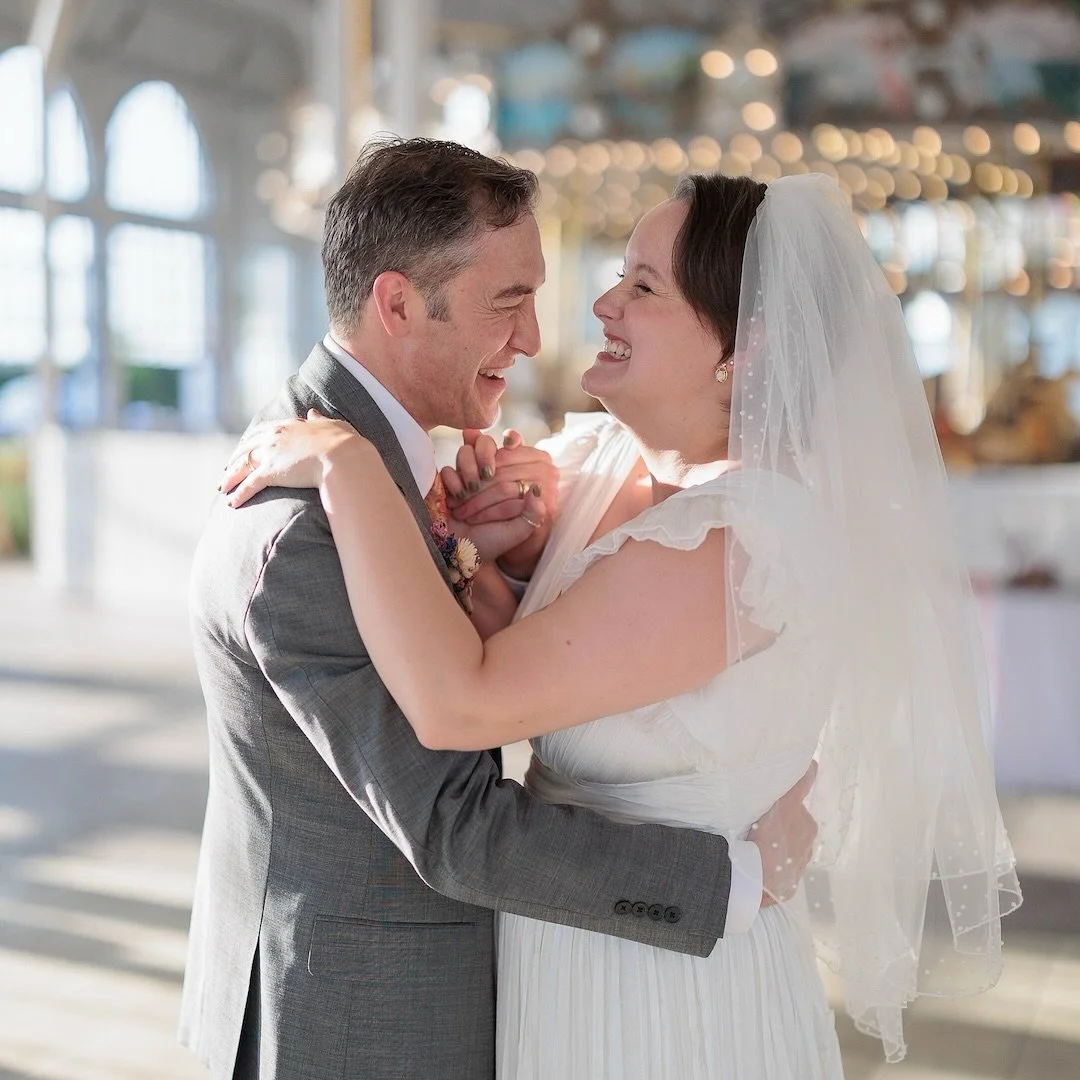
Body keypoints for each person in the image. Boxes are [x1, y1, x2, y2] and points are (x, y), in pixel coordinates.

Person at [225, 168, 1023, 1077]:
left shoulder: (740, 537)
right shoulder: (598, 466)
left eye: (644, 288)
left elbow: (465, 704)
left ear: (743, 349)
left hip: (662, 989)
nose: (600, 304)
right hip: (559, 952)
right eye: (619, 274)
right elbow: (535, 661)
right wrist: (496, 565)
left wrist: (349, 466)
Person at [180, 138, 819, 1080]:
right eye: (508, 302)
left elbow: (565, 663)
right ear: (398, 303)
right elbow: (452, 820)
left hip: (638, 1001)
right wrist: (736, 879)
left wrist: (497, 571)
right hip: (359, 1018)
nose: (537, 336)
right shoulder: (318, 516)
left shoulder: (380, 470)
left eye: (641, 287)